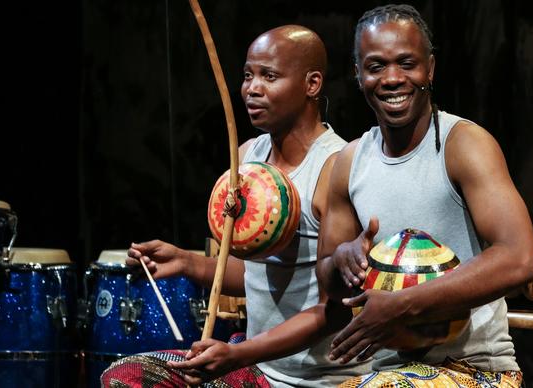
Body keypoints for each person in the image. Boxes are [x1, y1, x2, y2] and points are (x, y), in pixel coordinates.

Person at [101, 25, 370, 388]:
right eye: (248, 75)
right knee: (125, 377)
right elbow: (253, 275)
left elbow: (334, 311)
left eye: (269, 76)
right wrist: (185, 262)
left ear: (312, 84)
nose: (252, 88)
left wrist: (240, 355)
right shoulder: (247, 156)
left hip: (314, 378)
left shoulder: (334, 166)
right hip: (256, 365)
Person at [316, 4, 533, 387]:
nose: (392, 79)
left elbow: (519, 260)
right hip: (388, 372)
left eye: (407, 63)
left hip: (476, 369)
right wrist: (342, 259)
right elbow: (327, 281)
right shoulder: (349, 161)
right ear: (358, 74)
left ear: (430, 69)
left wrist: (401, 307)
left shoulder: (464, 145)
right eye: (375, 67)